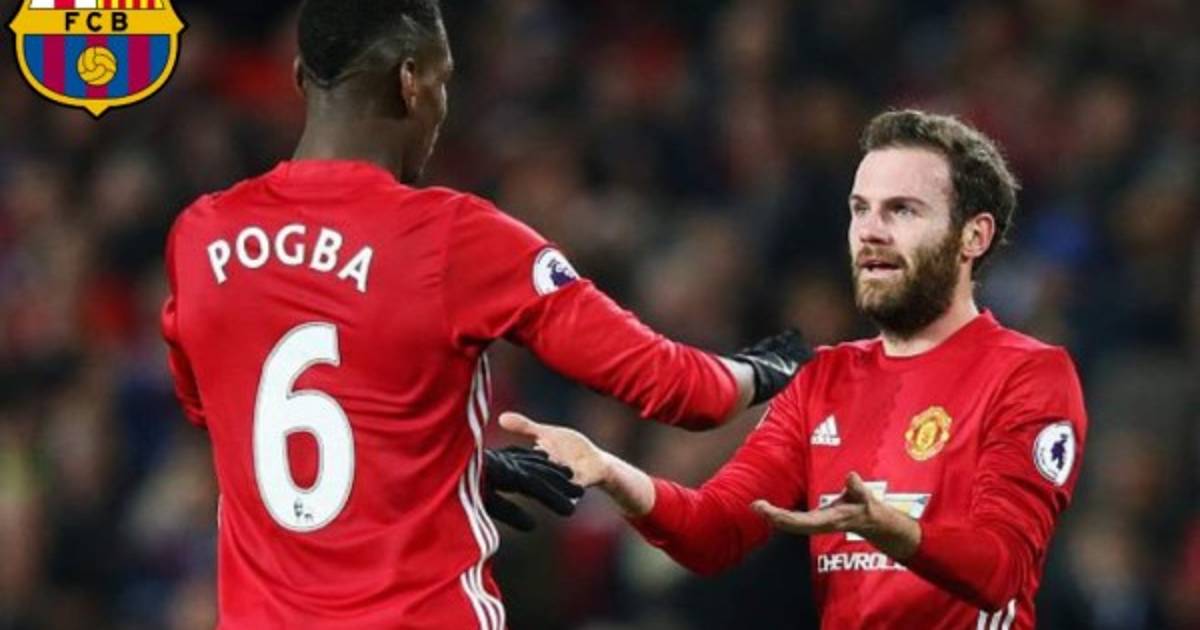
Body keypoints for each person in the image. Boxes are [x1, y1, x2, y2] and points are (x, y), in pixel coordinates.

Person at [158, 0, 808, 627]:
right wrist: (772, 371)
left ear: (302, 75)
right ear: (410, 81)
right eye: (443, 81)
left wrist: (442, 466)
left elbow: (239, 425)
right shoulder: (453, 239)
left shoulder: (201, 235)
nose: (443, 108)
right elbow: (684, 391)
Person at [502, 109, 1089, 629]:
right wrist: (610, 471)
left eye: (903, 210)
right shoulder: (824, 379)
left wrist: (894, 530)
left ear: (973, 236)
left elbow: (1004, 569)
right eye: (860, 210)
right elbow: (715, 531)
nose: (871, 231)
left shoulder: (1028, 374)